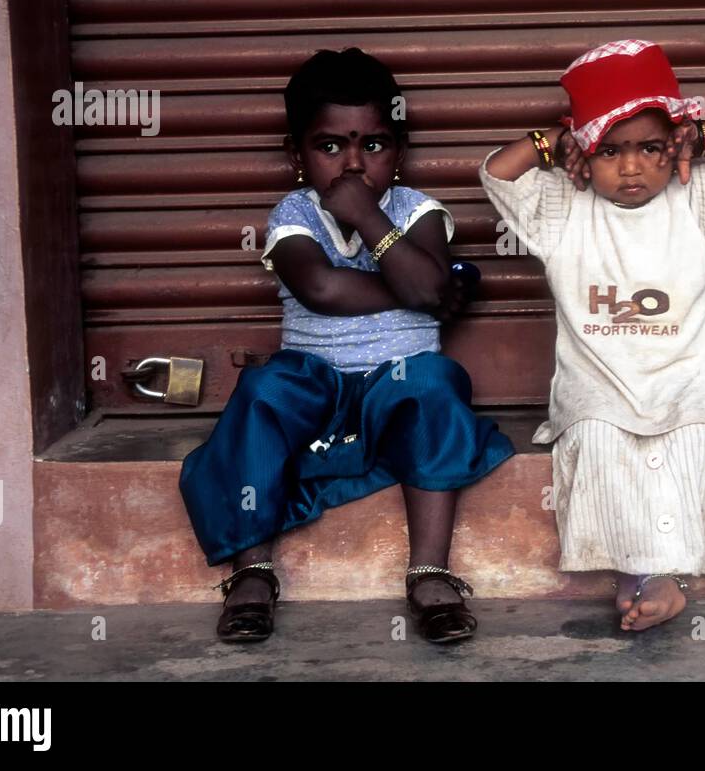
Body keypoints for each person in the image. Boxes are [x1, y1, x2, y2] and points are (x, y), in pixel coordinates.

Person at [180, 47, 514, 644]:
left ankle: (430, 572)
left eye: (374, 145)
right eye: (330, 147)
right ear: (297, 156)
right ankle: (252, 571)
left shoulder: (417, 212)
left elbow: (424, 281)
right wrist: (426, 290)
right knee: (260, 390)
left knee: (435, 383)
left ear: (400, 152)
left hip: (400, 378)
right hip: (313, 379)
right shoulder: (293, 214)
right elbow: (321, 287)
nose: (353, 164)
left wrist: (370, 218)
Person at [479, 39, 705, 631]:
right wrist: (550, 143)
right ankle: (639, 577)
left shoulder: (696, 204)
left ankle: (658, 578)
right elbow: (497, 172)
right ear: (584, 156)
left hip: (682, 379)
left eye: (650, 147)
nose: (632, 166)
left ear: (675, 147)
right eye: (611, 150)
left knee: (695, 436)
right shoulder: (564, 209)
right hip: (598, 385)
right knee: (599, 440)